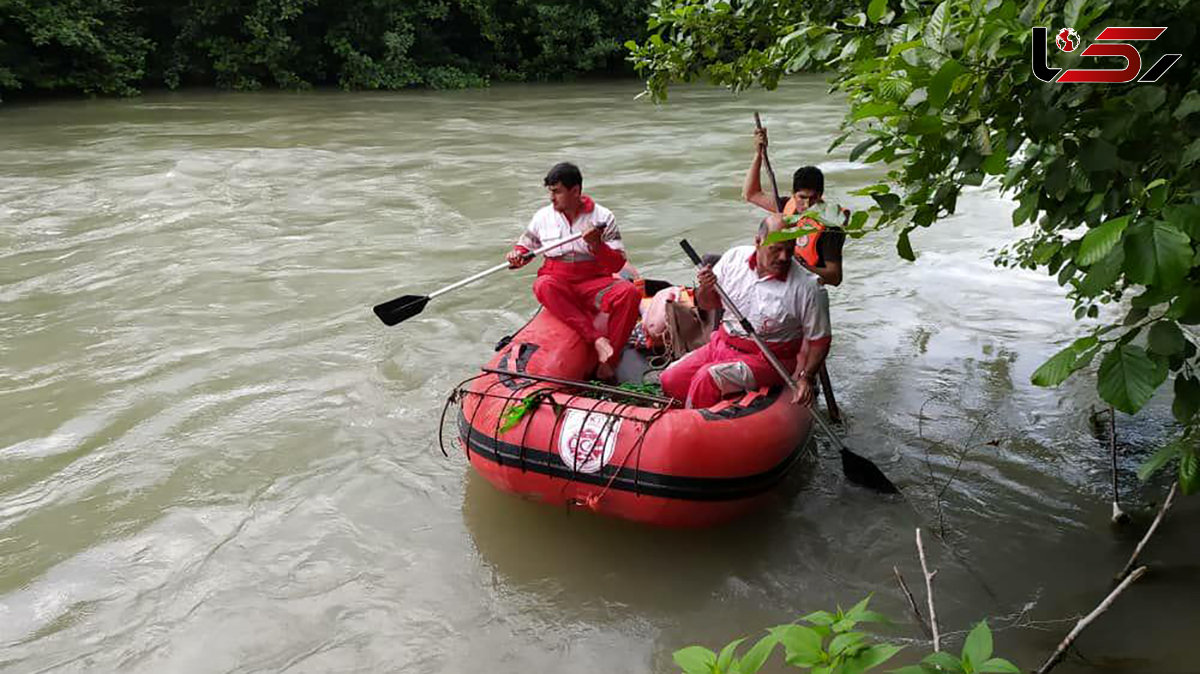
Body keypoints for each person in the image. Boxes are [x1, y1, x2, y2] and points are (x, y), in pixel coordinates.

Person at [660, 214, 832, 409]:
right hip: (723, 343)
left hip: (768, 359)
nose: (783, 257)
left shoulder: (809, 287)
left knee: (706, 379)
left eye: (789, 250)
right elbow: (707, 304)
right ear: (758, 242)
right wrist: (707, 287)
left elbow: (820, 341)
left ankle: (691, 427)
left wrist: (807, 377)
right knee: (670, 379)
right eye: (775, 250)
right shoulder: (734, 258)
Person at [506, 162, 641, 378]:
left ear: (575, 191)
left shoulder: (603, 217)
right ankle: (596, 339)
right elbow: (525, 248)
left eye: (557, 192)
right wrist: (516, 256)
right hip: (558, 283)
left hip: (592, 282)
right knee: (542, 285)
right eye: (550, 192)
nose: (552, 198)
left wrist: (597, 245)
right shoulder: (543, 216)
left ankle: (610, 362)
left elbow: (617, 264)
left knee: (630, 294)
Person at [741, 126, 846, 287]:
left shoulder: (830, 227)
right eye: (802, 197)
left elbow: (835, 277)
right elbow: (751, 194)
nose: (807, 204)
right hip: (775, 275)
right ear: (793, 194)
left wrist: (800, 266)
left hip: (803, 285)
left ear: (821, 195)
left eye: (813, 198)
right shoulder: (785, 206)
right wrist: (759, 155)